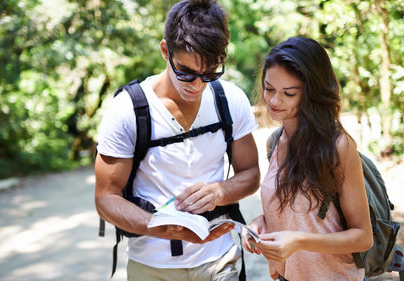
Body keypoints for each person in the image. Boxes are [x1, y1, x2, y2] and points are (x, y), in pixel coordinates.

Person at [94, 0, 261, 280]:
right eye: (185, 72)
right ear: (165, 51)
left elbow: (252, 173)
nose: (196, 85)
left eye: (209, 73)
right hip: (152, 265)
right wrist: (156, 225)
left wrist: (221, 191)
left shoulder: (230, 100)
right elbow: (105, 197)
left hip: (219, 259)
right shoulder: (128, 110)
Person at [243, 36, 373, 280]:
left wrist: (299, 241)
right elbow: (293, 215)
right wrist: (259, 223)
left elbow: (363, 236)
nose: (273, 100)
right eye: (269, 88)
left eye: (288, 93)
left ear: (312, 93)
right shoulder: (274, 142)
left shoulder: (338, 146)